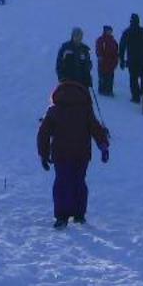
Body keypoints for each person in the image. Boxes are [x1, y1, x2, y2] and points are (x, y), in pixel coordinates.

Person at [37, 75, 110, 227]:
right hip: (81, 153)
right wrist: (103, 146)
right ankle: (79, 214)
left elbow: (43, 133)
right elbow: (96, 128)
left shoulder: (54, 109)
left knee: (62, 181)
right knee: (78, 181)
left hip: (60, 153)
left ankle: (61, 217)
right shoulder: (85, 109)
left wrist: (43, 154)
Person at [120, 13, 143, 104]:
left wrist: (122, 60)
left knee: (133, 78)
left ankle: (136, 97)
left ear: (131, 21)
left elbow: (122, 47)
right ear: (138, 21)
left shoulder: (127, 32)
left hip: (132, 60)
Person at [54, 26, 94, 90]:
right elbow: (59, 63)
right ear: (73, 36)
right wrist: (61, 77)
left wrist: (88, 77)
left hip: (82, 82)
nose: (79, 38)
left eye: (80, 36)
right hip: (68, 81)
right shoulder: (65, 48)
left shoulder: (84, 49)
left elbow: (88, 63)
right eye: (77, 36)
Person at [94, 24, 120, 97]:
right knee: (102, 77)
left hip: (111, 63)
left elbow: (116, 52)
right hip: (103, 62)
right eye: (108, 31)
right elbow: (98, 49)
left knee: (110, 77)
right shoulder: (101, 40)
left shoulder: (113, 41)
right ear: (105, 31)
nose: (109, 32)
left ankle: (109, 90)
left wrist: (116, 61)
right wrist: (100, 57)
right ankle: (102, 91)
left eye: (110, 31)